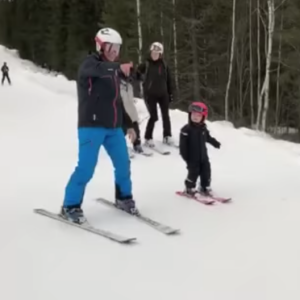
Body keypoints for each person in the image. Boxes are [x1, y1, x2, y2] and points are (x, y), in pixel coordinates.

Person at [61, 28, 138, 224]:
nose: (115, 51)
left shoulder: (113, 71)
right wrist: (119, 68)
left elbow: (117, 101)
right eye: (111, 47)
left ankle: (124, 198)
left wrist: (128, 124)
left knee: (123, 164)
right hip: (91, 126)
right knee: (86, 168)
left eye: (118, 48)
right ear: (101, 46)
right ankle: (70, 205)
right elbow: (98, 70)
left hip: (113, 128)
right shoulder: (90, 64)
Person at [179, 102, 221, 198]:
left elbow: (207, 137)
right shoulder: (186, 130)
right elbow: (183, 146)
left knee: (206, 171)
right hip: (192, 158)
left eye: (198, 115)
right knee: (193, 173)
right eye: (193, 115)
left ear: (203, 117)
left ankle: (204, 187)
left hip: (203, 156)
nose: (195, 117)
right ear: (190, 115)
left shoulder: (203, 128)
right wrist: (186, 158)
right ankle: (189, 189)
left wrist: (214, 142)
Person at [137, 42, 174, 147]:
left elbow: (169, 81)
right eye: (153, 53)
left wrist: (170, 93)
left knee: (165, 116)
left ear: (160, 54)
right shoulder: (146, 64)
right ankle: (148, 138)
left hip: (163, 94)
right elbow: (136, 74)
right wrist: (140, 78)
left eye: (157, 53)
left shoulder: (164, 66)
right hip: (150, 95)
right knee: (154, 117)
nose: (154, 55)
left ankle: (167, 136)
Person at [120, 74, 144, 153]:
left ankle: (137, 144)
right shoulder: (117, 86)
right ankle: (120, 146)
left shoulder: (130, 87)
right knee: (121, 131)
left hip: (132, 111)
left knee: (136, 129)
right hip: (123, 113)